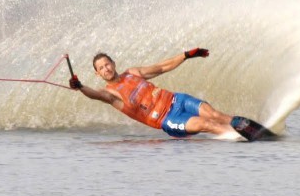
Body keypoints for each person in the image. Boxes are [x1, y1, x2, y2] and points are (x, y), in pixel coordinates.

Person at [68, 48, 271, 141]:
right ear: (97, 73)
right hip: (168, 119)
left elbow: (162, 67)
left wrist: (186, 55)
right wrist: (80, 86)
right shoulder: (110, 94)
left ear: (113, 63)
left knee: (214, 114)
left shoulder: (132, 73)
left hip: (177, 100)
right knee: (204, 125)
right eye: (101, 68)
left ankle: (249, 129)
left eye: (107, 64)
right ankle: (237, 137)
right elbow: (94, 94)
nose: (106, 69)